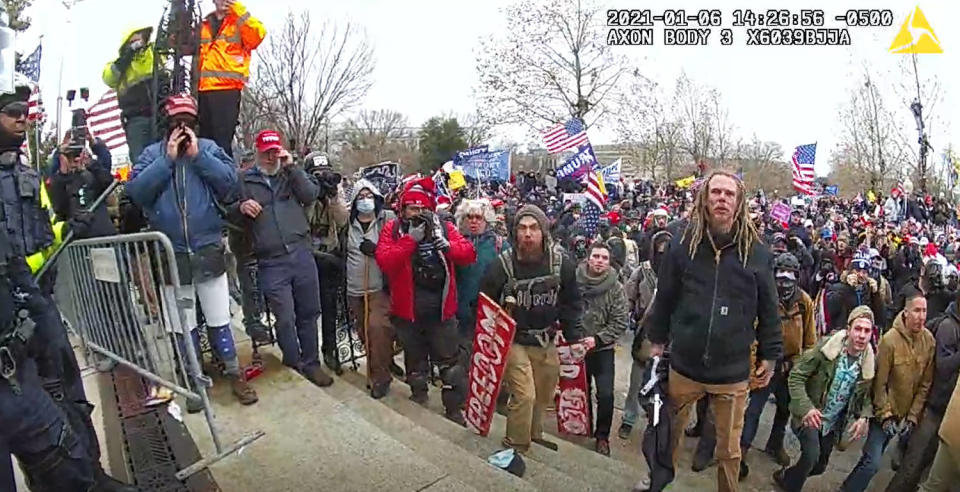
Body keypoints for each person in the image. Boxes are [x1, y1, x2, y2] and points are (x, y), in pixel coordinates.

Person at [644, 170, 783, 492]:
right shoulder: (682, 244)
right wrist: (657, 342)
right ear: (705, 199)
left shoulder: (757, 252)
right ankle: (657, 484)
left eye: (729, 194)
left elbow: (769, 309)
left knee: (730, 450)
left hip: (732, 371)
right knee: (666, 436)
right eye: (716, 192)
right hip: (684, 365)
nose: (722, 199)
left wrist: (770, 355)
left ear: (739, 202)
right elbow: (664, 298)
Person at [126, 93, 258, 407]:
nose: (182, 127)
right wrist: (167, 160)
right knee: (181, 323)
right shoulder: (151, 154)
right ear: (167, 124)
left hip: (207, 248)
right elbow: (137, 191)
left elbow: (229, 185)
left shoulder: (210, 149)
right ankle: (192, 378)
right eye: (176, 122)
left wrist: (199, 156)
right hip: (170, 255)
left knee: (218, 318)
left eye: (188, 121)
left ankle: (232, 372)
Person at [481, 204, 590, 455]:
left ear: (543, 231)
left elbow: (571, 303)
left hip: (546, 339)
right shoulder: (502, 266)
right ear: (515, 232)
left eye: (533, 228)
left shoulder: (562, 263)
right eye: (522, 228)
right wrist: (501, 305)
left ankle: (533, 433)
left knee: (544, 394)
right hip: (514, 341)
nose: (528, 234)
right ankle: (516, 446)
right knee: (525, 395)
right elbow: (483, 304)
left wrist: (574, 337)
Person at [229, 130, 333, 387]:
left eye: (274, 152)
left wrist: (292, 167)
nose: (270, 157)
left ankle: (312, 364)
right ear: (256, 153)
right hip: (270, 259)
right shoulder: (244, 180)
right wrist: (240, 208)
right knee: (284, 316)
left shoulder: (290, 175)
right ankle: (293, 360)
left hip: (301, 252)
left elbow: (311, 194)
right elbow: (227, 211)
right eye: (265, 153)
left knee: (309, 312)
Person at [375, 177, 476, 425]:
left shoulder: (444, 226)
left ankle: (453, 409)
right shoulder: (394, 229)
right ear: (404, 209)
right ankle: (418, 396)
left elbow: (468, 254)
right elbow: (385, 260)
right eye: (413, 209)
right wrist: (410, 241)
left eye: (423, 210)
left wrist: (448, 246)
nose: (418, 214)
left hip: (441, 309)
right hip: (408, 309)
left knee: (451, 366)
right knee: (415, 360)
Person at [772, 306, 875, 492]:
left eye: (866, 331)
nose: (861, 335)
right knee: (811, 456)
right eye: (857, 329)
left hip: (831, 424)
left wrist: (863, 417)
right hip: (811, 413)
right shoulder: (827, 349)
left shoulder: (868, 361)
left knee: (819, 466)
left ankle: (786, 476)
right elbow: (796, 376)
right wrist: (806, 408)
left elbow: (866, 395)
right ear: (848, 329)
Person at [841, 289, 934, 492]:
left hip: (904, 416)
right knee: (872, 462)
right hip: (881, 414)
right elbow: (879, 383)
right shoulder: (890, 341)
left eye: (925, 311)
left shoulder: (929, 341)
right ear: (906, 312)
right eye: (917, 310)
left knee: (871, 461)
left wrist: (911, 418)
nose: (922, 316)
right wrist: (885, 416)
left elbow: (925, 385)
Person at [739, 252, 817, 478]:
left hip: (792, 366)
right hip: (766, 363)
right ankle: (741, 453)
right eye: (780, 275)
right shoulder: (764, 298)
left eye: (790, 275)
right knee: (753, 410)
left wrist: (800, 367)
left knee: (784, 409)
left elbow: (810, 340)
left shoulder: (804, 302)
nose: (784, 281)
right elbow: (752, 335)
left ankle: (775, 444)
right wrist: (755, 368)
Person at [885, 290, 960, 491]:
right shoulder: (948, 327)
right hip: (934, 408)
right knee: (912, 464)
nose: (921, 315)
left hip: (949, 411)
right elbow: (943, 366)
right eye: (917, 310)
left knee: (925, 466)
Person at [343, 178, 396, 398]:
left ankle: (381, 377)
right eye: (361, 197)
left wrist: (377, 250)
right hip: (355, 288)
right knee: (365, 333)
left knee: (378, 329)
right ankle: (383, 362)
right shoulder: (347, 224)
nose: (365, 201)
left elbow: (397, 250)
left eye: (369, 196)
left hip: (379, 288)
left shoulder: (388, 220)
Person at [576, 242, 629, 456]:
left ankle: (602, 436)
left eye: (604, 258)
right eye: (596, 256)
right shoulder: (574, 281)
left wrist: (597, 339)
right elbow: (567, 308)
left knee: (606, 395)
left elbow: (620, 321)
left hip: (603, 349)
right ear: (589, 258)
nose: (599, 261)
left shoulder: (616, 288)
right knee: (581, 391)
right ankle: (583, 425)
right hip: (576, 346)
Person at [197, 0, 266, 157]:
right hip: (203, 89)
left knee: (221, 142)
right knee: (204, 141)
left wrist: (238, 10)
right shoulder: (205, 24)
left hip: (227, 90)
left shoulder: (239, 21)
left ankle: (224, 177)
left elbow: (257, 35)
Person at [305, 153, 349, 374]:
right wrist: (314, 195)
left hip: (329, 255)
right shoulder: (302, 191)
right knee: (308, 309)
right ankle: (308, 352)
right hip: (307, 256)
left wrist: (332, 196)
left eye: (325, 174)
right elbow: (303, 219)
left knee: (330, 307)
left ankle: (330, 349)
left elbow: (342, 220)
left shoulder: (335, 192)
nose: (323, 178)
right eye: (317, 175)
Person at [226, 150, 271, 344]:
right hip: (244, 242)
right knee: (250, 286)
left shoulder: (264, 181)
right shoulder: (235, 183)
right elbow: (226, 210)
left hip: (265, 242)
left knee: (261, 286)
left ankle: (260, 319)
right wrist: (241, 208)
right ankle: (253, 323)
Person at [102, 26, 162, 162]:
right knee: (140, 160)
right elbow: (109, 77)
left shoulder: (153, 53)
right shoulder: (120, 63)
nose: (138, 43)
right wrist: (126, 57)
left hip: (159, 115)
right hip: (136, 118)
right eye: (134, 40)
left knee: (163, 158)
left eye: (141, 38)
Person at [454, 198, 507, 350]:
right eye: (469, 217)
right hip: (461, 315)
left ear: (486, 220)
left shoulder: (500, 245)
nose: (474, 222)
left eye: (478, 217)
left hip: (490, 315)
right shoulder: (455, 243)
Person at [47, 131, 117, 239]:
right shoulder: (60, 181)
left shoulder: (95, 175)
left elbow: (108, 179)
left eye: (78, 155)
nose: (75, 159)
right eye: (70, 156)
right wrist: (62, 165)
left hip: (105, 236)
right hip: (79, 240)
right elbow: (59, 207)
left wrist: (91, 161)